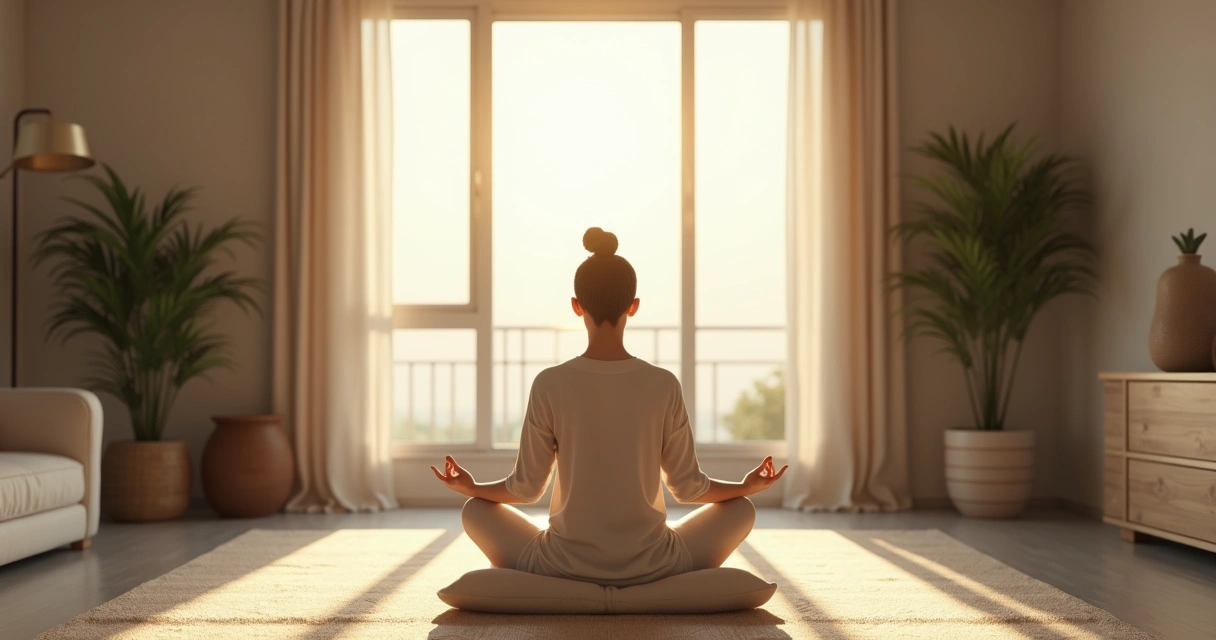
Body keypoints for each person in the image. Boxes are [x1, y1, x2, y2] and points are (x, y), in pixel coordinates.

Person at [431, 227, 787, 587]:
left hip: (561, 563)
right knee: (741, 508)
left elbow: (525, 490)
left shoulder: (549, 383)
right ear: (633, 306)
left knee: (475, 509)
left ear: (576, 305)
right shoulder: (663, 384)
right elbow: (688, 488)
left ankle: (571, 578)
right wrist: (746, 485)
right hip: (654, 563)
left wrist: (472, 487)